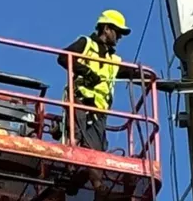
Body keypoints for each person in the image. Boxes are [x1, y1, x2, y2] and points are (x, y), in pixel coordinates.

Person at [57, 9, 145, 151]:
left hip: (99, 112)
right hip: (81, 102)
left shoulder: (113, 60)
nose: (120, 37)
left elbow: (132, 73)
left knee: (96, 150)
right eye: (118, 32)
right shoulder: (86, 44)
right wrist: (87, 72)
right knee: (75, 141)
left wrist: (157, 81)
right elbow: (63, 57)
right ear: (106, 29)